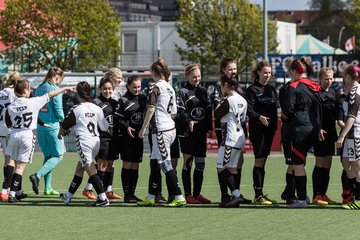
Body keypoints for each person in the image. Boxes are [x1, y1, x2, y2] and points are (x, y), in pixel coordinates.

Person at [0, 78, 73, 202]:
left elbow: (7, 123)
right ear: (25, 90)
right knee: (20, 166)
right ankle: (12, 194)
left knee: (12, 162)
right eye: (29, 89)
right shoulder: (33, 102)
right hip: (27, 135)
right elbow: (51, 94)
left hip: (14, 134)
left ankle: (5, 191)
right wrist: (64, 89)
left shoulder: (11, 106)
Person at [137, 58, 186, 207]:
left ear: (154, 73)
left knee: (166, 164)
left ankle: (179, 196)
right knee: (154, 162)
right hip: (170, 129)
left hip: (160, 131)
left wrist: (143, 128)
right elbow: (174, 112)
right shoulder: (171, 88)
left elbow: (151, 108)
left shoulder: (155, 87)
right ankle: (151, 196)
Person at [59, 81, 110, 207]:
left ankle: (103, 198)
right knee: (80, 168)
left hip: (84, 141)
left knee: (90, 169)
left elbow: (65, 125)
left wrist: (59, 133)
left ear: (78, 93)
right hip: (96, 141)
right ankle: (68, 196)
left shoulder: (77, 109)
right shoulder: (97, 108)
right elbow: (105, 127)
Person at [282, 57, 322, 208]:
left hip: (298, 130)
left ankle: (301, 199)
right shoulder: (314, 86)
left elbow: (287, 111)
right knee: (302, 163)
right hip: (313, 129)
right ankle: (301, 196)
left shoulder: (293, 86)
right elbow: (319, 110)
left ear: (293, 71)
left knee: (298, 165)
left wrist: (284, 118)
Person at [210, 57, 251, 205]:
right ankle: (233, 195)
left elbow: (217, 113)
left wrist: (221, 103)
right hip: (240, 136)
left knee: (221, 167)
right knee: (232, 167)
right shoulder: (243, 99)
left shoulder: (228, 100)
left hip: (229, 138)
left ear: (226, 85)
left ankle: (236, 194)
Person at [82, 68, 123, 200]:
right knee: (101, 166)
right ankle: (93, 190)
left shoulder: (115, 102)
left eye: (110, 89)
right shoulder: (96, 103)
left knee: (111, 164)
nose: (120, 79)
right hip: (100, 139)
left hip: (114, 138)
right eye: (118, 77)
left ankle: (107, 190)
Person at [176, 64, 212, 204]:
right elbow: (181, 111)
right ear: (187, 77)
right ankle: (188, 194)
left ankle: (197, 194)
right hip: (187, 133)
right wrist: (189, 121)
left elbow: (208, 111)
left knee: (200, 163)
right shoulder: (183, 92)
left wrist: (209, 127)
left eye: (198, 76)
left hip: (201, 133)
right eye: (194, 77)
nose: (197, 79)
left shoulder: (203, 91)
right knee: (188, 162)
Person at [29, 67, 66, 196]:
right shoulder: (55, 90)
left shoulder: (38, 89)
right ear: (58, 77)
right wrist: (65, 122)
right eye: (61, 79)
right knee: (58, 156)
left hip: (40, 126)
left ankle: (48, 187)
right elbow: (58, 110)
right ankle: (37, 176)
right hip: (53, 127)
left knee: (48, 156)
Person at [246, 61, 278, 205]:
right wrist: (259, 117)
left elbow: (274, 110)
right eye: (265, 72)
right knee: (259, 159)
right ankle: (258, 195)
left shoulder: (272, 89)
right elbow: (248, 109)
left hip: (269, 130)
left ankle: (261, 193)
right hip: (257, 129)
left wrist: (275, 126)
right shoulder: (251, 90)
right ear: (258, 73)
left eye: (269, 73)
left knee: (263, 160)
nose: (267, 75)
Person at [312, 67, 342, 205]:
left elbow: (338, 111)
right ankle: (316, 195)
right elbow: (311, 114)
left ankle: (323, 194)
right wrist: (317, 128)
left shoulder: (334, 92)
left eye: (331, 78)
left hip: (331, 133)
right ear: (320, 79)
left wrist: (342, 122)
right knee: (320, 163)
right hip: (319, 133)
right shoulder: (315, 93)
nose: (329, 81)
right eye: (326, 79)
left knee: (328, 163)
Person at [115, 75, 147, 203]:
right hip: (126, 138)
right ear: (128, 86)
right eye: (134, 87)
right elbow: (117, 118)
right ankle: (127, 194)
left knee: (136, 165)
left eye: (139, 86)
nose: (137, 89)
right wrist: (127, 127)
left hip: (139, 137)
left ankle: (132, 194)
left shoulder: (143, 98)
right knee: (127, 164)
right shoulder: (123, 100)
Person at [0, 72, 28, 201]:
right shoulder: (15, 94)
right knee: (14, 161)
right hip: (12, 128)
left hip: (1, 128)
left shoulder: (2, 92)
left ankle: (10, 189)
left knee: (8, 160)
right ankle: (10, 190)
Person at [336, 65, 360, 209]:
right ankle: (353, 196)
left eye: (345, 75)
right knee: (347, 164)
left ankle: (357, 200)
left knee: (357, 167)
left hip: (354, 133)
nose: (344, 78)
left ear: (351, 76)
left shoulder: (354, 92)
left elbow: (351, 116)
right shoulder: (351, 91)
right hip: (352, 134)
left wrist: (341, 136)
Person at [279, 58, 297, 204]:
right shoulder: (287, 88)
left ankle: (289, 192)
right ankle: (290, 194)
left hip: (298, 131)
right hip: (290, 131)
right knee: (293, 164)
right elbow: (285, 112)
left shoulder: (300, 86)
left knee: (298, 164)